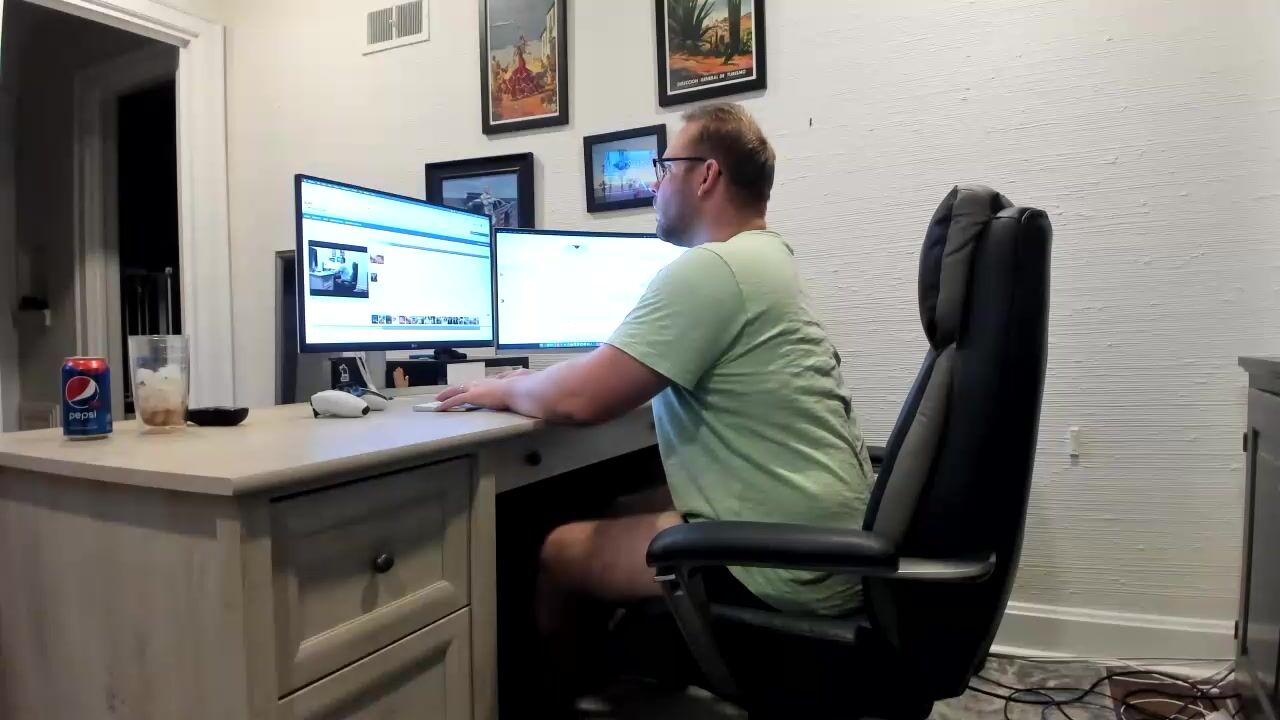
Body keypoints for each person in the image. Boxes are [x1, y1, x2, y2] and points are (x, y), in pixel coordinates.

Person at [436, 102, 874, 698]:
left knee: (554, 550)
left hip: (783, 566)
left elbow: (583, 399)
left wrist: (501, 387)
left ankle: (561, 703)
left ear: (707, 175)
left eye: (665, 169)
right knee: (617, 503)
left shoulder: (714, 268)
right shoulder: (769, 258)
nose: (655, 185)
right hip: (828, 542)